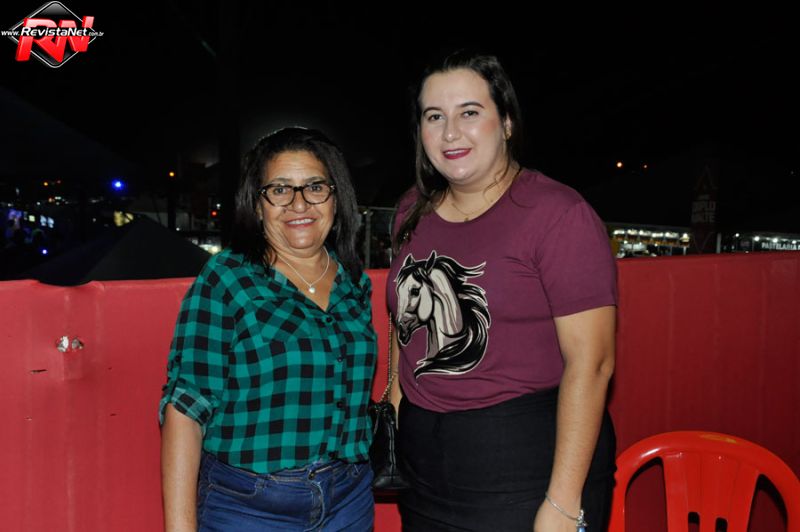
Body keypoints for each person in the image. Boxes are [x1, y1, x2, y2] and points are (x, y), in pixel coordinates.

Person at [387, 49, 618, 531]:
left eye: (469, 112)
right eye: (435, 116)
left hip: (526, 466)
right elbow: (403, 321)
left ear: (507, 122)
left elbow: (592, 363)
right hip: (423, 471)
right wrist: (393, 407)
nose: (451, 133)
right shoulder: (411, 209)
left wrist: (562, 502)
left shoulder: (558, 214)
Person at [159, 127, 378, 531]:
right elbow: (185, 409)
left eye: (315, 187)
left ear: (336, 199)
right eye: (279, 190)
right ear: (257, 205)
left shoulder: (353, 282)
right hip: (248, 506)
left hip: (349, 498)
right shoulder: (227, 277)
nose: (299, 203)